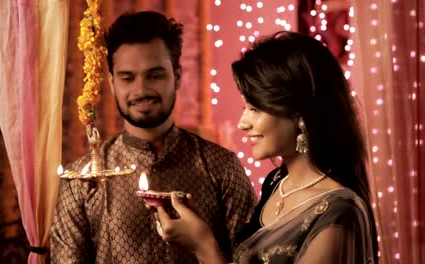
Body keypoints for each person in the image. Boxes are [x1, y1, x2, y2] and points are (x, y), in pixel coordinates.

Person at [50, 11, 257, 264]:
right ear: (113, 83)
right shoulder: (80, 182)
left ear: (177, 76)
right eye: (128, 78)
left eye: (155, 75)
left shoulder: (221, 168)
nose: (141, 90)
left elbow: (249, 258)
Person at [156, 31, 378, 264]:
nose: (243, 123)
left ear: (299, 115)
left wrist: (203, 245)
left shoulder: (338, 212)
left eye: (254, 109)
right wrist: (201, 227)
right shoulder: (276, 184)